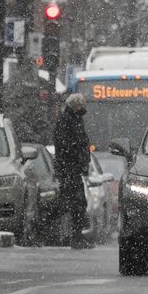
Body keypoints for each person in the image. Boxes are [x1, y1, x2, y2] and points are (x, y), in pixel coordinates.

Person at [53, 93, 92, 250]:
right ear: (74, 105)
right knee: (75, 204)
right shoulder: (67, 121)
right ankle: (73, 237)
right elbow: (65, 146)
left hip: (72, 169)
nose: (83, 106)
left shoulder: (75, 120)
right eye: (81, 103)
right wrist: (77, 159)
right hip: (69, 170)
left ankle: (76, 236)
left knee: (77, 204)